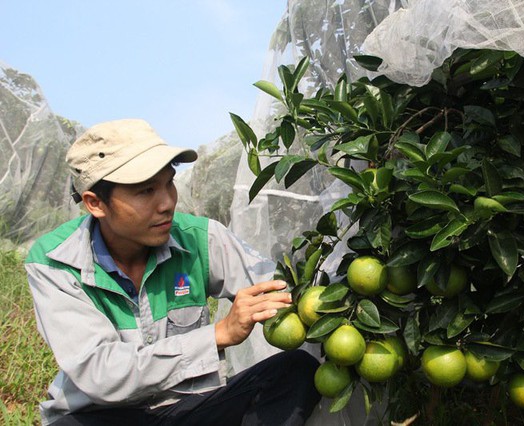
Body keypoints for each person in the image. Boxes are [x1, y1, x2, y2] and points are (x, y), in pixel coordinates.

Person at [24, 119, 321, 425]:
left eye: (169, 183)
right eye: (145, 191)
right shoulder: (55, 262)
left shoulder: (199, 238)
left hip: (187, 409)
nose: (166, 203)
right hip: (99, 416)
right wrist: (218, 335)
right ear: (95, 203)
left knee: (294, 371)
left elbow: (285, 289)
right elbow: (101, 374)